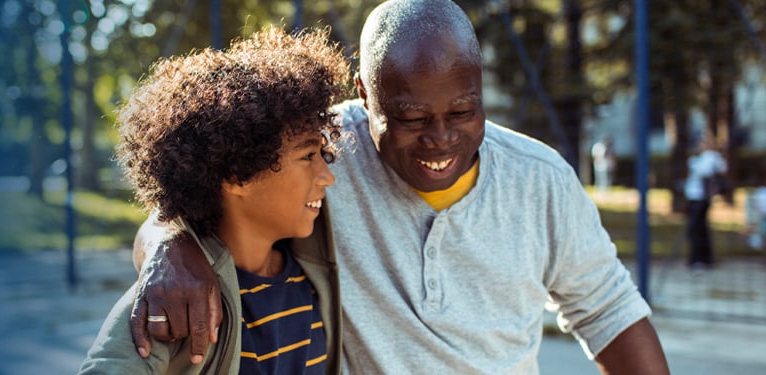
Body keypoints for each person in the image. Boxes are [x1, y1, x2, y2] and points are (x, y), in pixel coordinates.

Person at [125, 0, 671, 373]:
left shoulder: (541, 180)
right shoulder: (321, 155)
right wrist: (172, 247)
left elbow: (609, 311)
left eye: (463, 110)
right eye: (411, 119)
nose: (441, 139)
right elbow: (201, 190)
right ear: (366, 94)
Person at [79, 27, 351, 374]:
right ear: (238, 174)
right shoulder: (174, 301)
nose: (328, 176)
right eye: (307, 155)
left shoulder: (309, 276)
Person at [684, 136, 729, 269]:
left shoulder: (710, 157)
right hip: (695, 197)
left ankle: (699, 259)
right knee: (699, 228)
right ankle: (702, 258)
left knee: (697, 228)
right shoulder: (704, 157)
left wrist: (694, 164)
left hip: (700, 198)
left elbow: (707, 171)